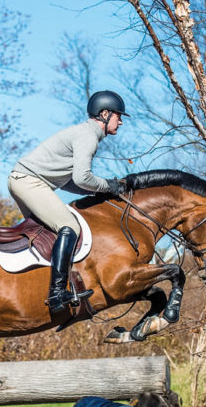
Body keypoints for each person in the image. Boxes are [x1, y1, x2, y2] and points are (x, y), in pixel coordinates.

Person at [8, 90, 129, 313]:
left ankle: (36, 286)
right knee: (69, 226)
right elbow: (82, 178)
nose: (120, 121)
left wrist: (97, 192)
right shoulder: (88, 136)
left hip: (25, 180)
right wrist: (108, 186)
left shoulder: (84, 133)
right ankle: (56, 294)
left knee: (49, 234)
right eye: (118, 115)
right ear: (104, 114)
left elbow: (68, 182)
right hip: (29, 182)